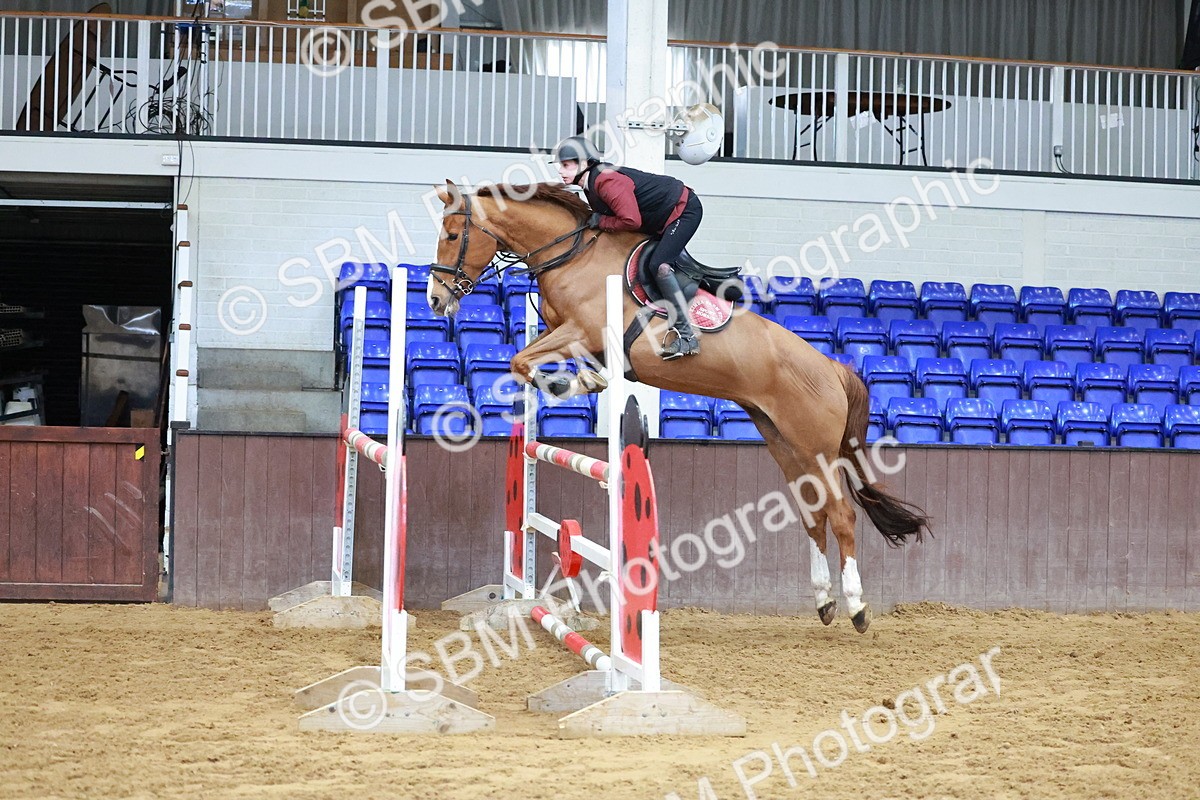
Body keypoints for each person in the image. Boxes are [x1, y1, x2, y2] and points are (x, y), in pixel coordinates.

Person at [554, 136, 702, 360]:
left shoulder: (606, 181)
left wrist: (601, 222)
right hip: (659, 217)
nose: (560, 170)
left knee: (659, 266)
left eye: (566, 165)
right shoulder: (590, 185)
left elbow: (631, 221)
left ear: (584, 163)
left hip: (683, 210)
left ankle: (687, 335)